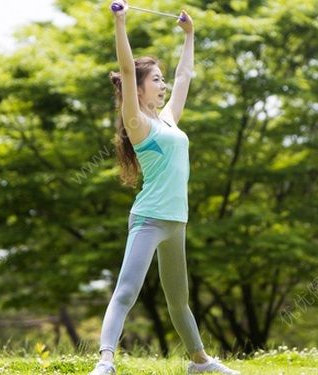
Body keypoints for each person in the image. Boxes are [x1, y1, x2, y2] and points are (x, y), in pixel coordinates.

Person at [88, 2, 240, 374]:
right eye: (155, 79)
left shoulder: (169, 120)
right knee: (126, 291)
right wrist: (120, 21)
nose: (163, 83)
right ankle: (106, 361)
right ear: (137, 89)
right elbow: (125, 68)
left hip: (177, 221)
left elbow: (185, 75)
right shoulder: (139, 124)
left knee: (179, 300)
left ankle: (200, 363)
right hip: (149, 219)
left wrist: (190, 36)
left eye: (161, 78)